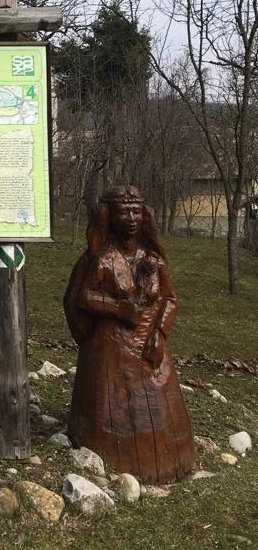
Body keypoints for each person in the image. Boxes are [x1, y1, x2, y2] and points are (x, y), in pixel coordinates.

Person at [64, 185, 194, 484]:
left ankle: (165, 459)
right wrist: (119, 309)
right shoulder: (104, 259)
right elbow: (83, 297)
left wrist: (159, 333)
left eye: (136, 212)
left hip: (149, 343)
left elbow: (169, 299)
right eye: (124, 213)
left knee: (160, 403)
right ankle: (111, 455)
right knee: (112, 403)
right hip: (112, 345)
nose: (132, 219)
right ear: (109, 216)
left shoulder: (152, 259)